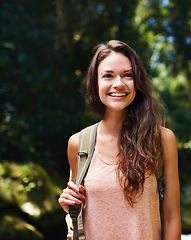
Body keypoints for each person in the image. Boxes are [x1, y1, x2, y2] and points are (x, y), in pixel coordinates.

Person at [58, 40, 181, 240]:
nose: (119, 84)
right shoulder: (78, 144)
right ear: (95, 82)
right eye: (108, 76)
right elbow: (78, 209)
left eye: (128, 75)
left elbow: (172, 217)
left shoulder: (161, 139)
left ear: (137, 82)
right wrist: (69, 204)